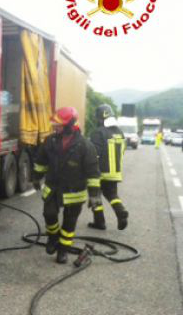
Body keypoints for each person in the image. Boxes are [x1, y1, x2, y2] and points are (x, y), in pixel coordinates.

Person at [32, 107, 101, 264]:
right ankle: (53, 237)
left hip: (74, 191)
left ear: (70, 125)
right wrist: (36, 177)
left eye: (58, 124)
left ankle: (62, 250)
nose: (54, 127)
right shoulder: (50, 140)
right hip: (53, 188)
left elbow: (93, 173)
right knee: (49, 214)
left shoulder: (85, 146)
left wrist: (94, 195)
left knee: (69, 223)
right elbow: (41, 161)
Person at [88, 104, 129, 231]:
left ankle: (99, 222)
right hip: (115, 172)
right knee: (112, 194)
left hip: (99, 172)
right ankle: (120, 211)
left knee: (95, 196)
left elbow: (94, 153)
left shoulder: (98, 132)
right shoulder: (120, 132)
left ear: (100, 118)